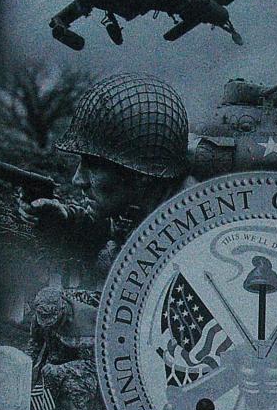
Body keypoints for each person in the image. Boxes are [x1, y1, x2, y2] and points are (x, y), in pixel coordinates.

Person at [20, 74, 189, 280]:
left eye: (94, 164)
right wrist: (65, 220)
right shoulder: (145, 206)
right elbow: (111, 229)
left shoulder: (179, 236)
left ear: (142, 175)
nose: (78, 180)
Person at [27, 285, 98, 410]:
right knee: (37, 404)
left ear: (62, 309)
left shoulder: (85, 323)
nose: (47, 323)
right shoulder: (41, 314)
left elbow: (93, 365)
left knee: (73, 394)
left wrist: (60, 370)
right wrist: (26, 366)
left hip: (81, 371)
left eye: (51, 319)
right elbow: (35, 343)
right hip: (53, 363)